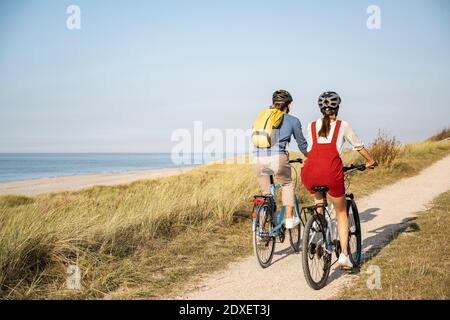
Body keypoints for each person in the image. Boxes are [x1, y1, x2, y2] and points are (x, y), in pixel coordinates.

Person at [301, 91, 376, 269]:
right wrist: (370, 161)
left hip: (310, 172)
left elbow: (311, 149)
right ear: (338, 108)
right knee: (341, 213)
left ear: (321, 109)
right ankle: (344, 255)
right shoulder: (343, 125)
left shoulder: (311, 125)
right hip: (331, 172)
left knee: (320, 207)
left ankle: (318, 237)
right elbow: (358, 146)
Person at [253, 90, 308, 229]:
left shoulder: (262, 118)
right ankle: (289, 218)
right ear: (288, 104)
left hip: (258, 158)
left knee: (266, 194)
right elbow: (302, 145)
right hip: (278, 158)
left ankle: (260, 230)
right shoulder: (293, 120)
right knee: (287, 184)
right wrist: (310, 157)